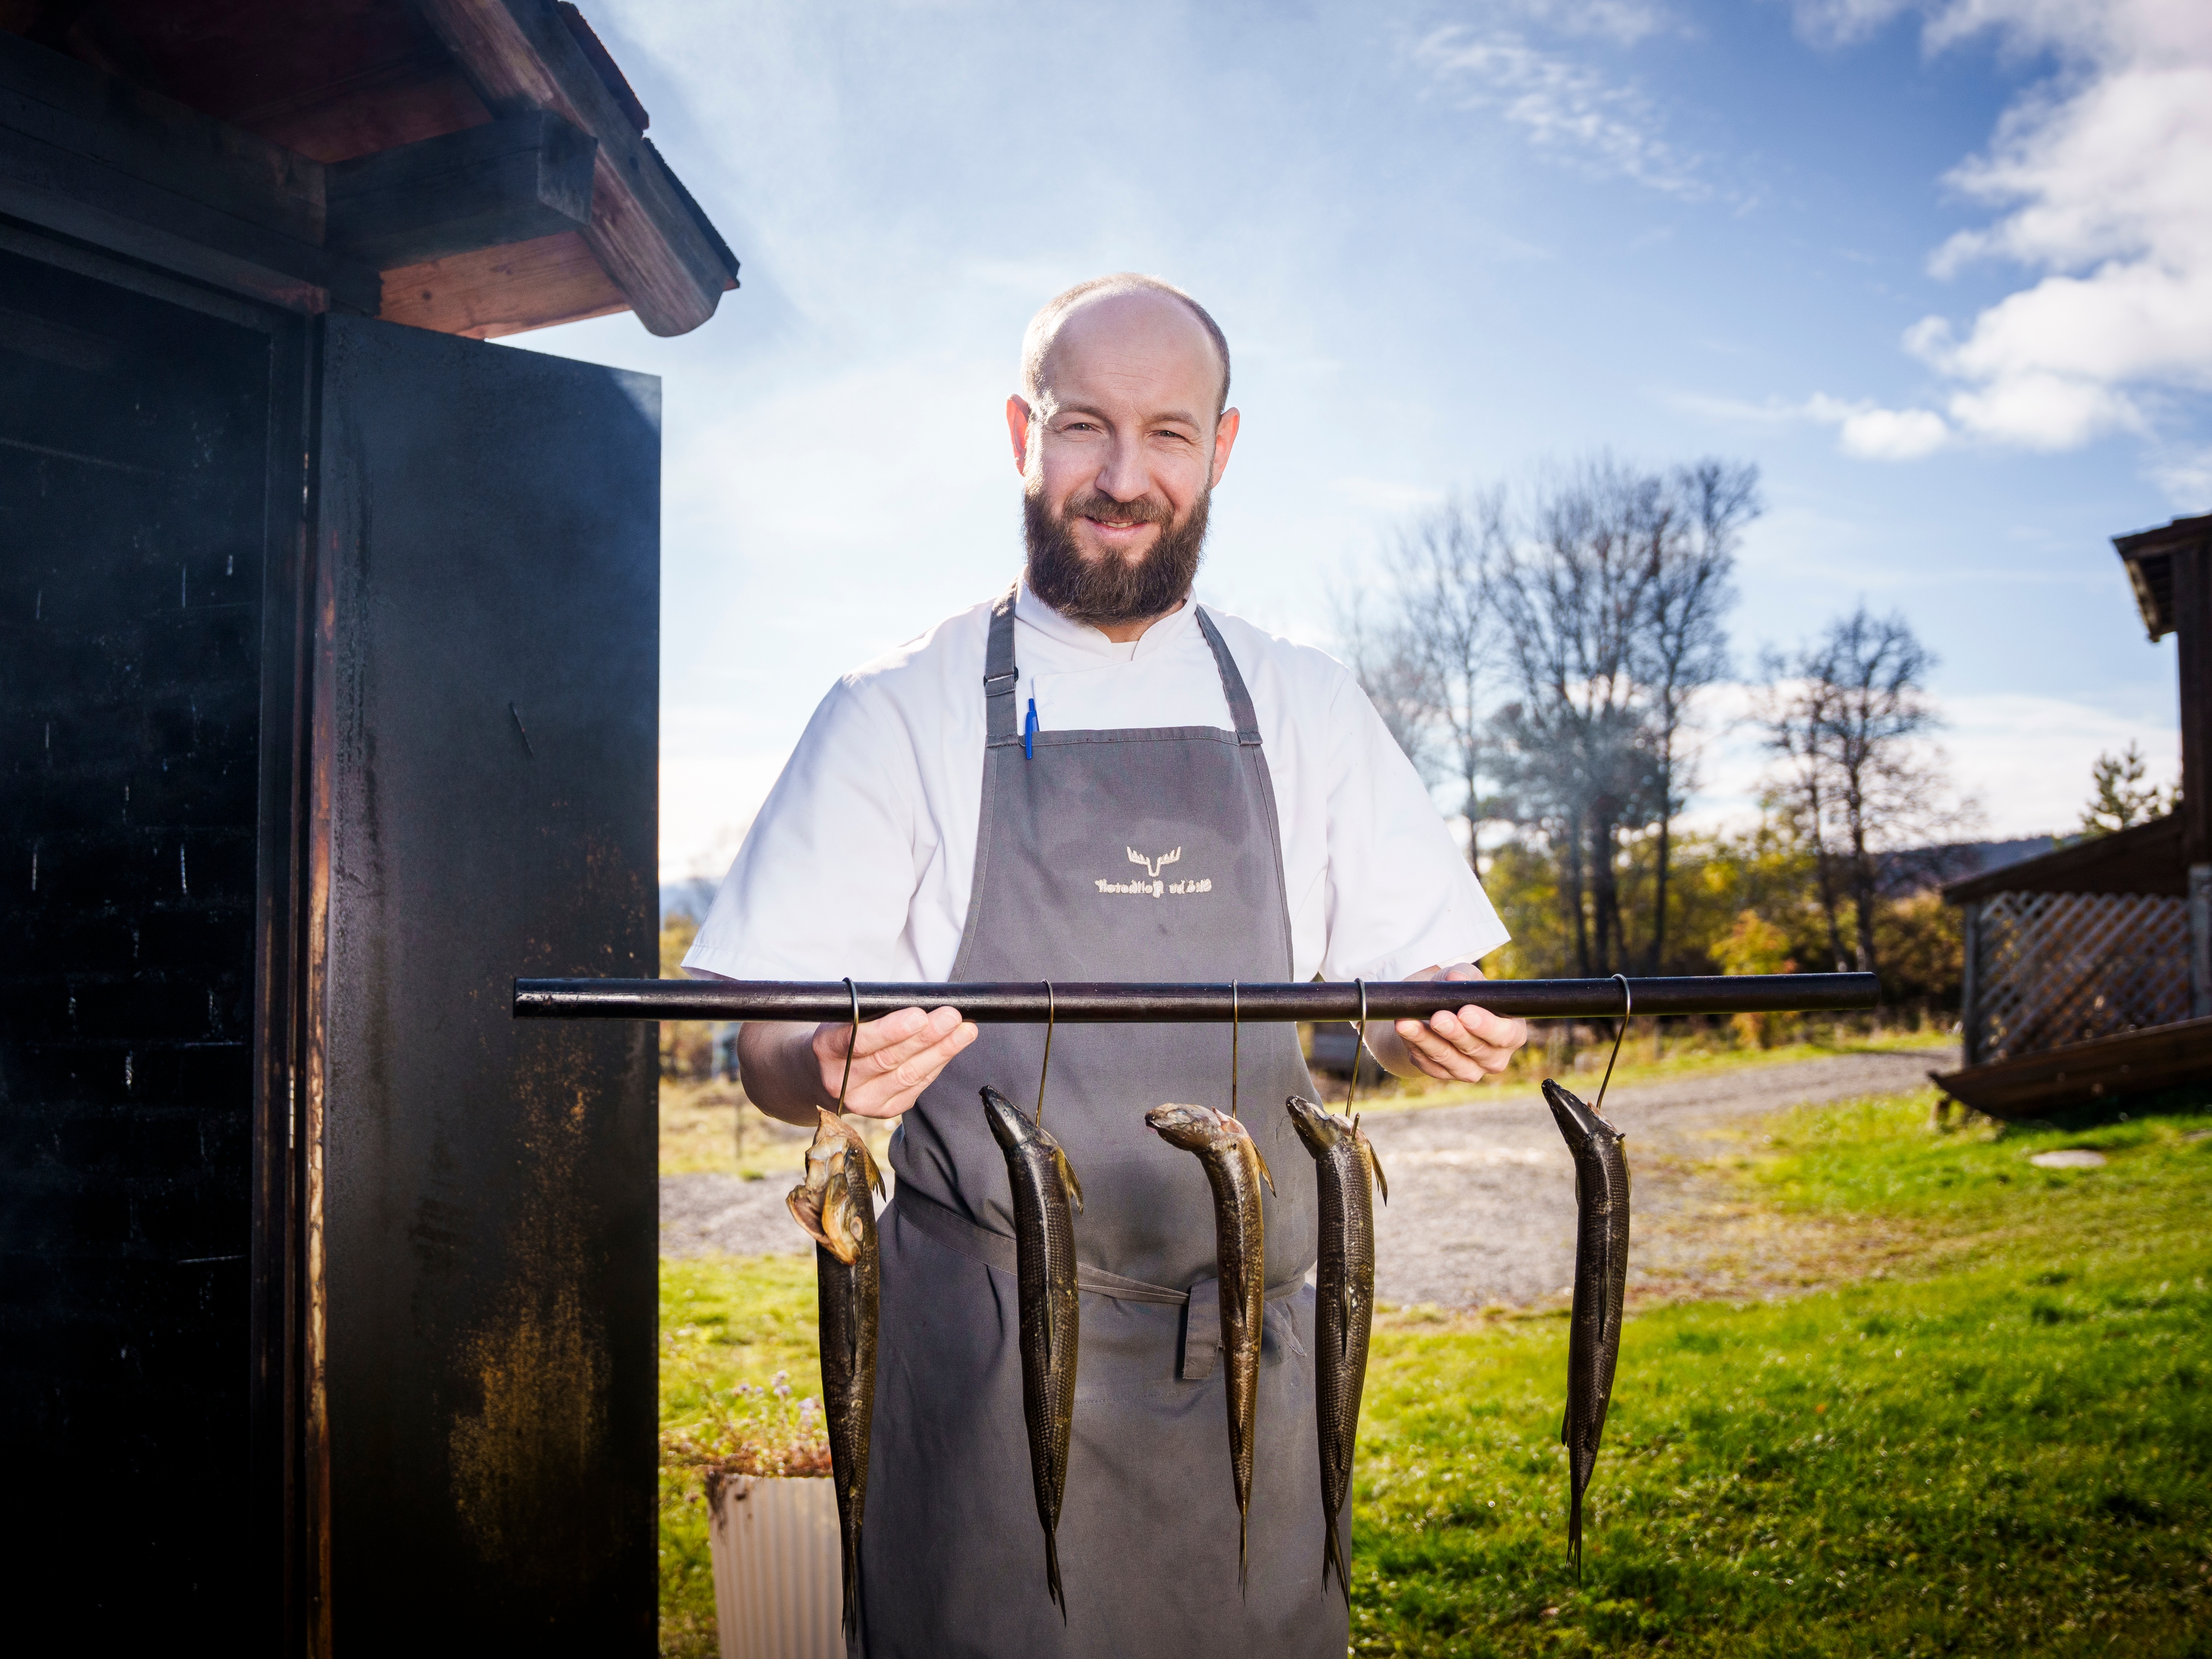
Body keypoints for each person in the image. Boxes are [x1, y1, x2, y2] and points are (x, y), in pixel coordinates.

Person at [684, 274, 1529, 1656]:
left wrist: (1432, 1022)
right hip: (991, 1367)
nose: (1124, 477)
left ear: (1224, 447)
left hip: (1258, 1367)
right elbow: (764, 1040)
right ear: (1022, 433)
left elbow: (1406, 982)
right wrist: (820, 1066)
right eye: (1084, 427)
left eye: (1169, 434)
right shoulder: (896, 707)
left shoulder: (1305, 701)